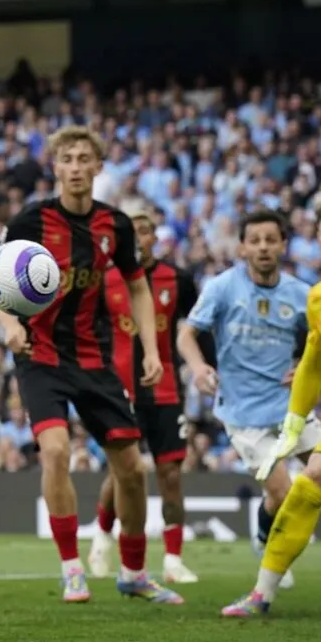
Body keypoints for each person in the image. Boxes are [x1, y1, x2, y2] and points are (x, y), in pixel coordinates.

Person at [0, 126, 181, 604]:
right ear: (55, 167)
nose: (75, 167)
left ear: (98, 166)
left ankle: (134, 573)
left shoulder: (115, 224)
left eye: (83, 158)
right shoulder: (32, 221)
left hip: (93, 360)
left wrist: (152, 351)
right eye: (66, 159)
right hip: (41, 356)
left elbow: (137, 284)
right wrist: (8, 324)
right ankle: (72, 568)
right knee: (55, 452)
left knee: (132, 470)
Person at [176, 209, 318, 593]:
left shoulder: (301, 294)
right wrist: (198, 366)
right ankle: (265, 540)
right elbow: (186, 335)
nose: (263, 247)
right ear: (242, 246)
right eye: (255, 240)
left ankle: (266, 535)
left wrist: (306, 364)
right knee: (283, 492)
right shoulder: (223, 288)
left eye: (271, 240)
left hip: (293, 408)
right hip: (244, 414)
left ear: (283, 245)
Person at [222, 202, 321, 616]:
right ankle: (261, 595)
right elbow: (313, 362)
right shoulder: (319, 298)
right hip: (250, 411)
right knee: (313, 478)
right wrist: (295, 421)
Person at [90, 206, 199, 584]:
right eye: (132, 232)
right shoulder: (104, 280)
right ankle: (102, 537)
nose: (139, 239)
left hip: (167, 389)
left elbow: (196, 329)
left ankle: (172, 560)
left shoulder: (179, 279)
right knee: (123, 472)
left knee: (170, 475)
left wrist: (205, 366)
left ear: (156, 237)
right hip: (121, 389)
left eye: (146, 231)